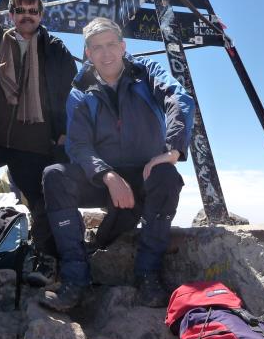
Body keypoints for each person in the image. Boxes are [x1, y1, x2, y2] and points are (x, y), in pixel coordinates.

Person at [38, 17, 196, 312]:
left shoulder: (146, 73)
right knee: (55, 176)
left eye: (112, 44)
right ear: (87, 53)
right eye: (97, 47)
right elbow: (78, 145)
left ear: (123, 46)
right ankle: (75, 279)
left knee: (167, 176)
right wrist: (107, 174)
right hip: (104, 178)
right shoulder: (80, 91)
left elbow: (179, 97)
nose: (106, 53)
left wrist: (173, 149)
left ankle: (148, 273)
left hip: (145, 172)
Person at [0, 0, 78, 286]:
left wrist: (62, 135)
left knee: (41, 202)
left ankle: (47, 259)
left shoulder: (55, 49)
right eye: (21, 11)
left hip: (34, 144)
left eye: (33, 11)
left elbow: (68, 95)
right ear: (11, 15)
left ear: (40, 15)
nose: (27, 16)